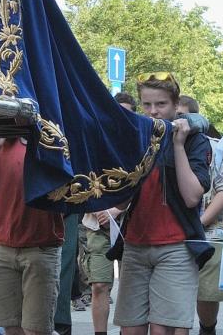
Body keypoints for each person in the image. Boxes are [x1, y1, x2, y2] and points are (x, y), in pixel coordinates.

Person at [114, 73, 211, 335]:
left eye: (161, 104)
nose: (153, 112)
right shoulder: (134, 138)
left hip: (176, 247)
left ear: (176, 104)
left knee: (162, 330)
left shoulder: (194, 140)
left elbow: (192, 197)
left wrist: (178, 146)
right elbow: (121, 202)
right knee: (130, 330)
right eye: (147, 105)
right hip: (135, 245)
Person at [0, 135, 64, 335]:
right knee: (10, 328)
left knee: (36, 329)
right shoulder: (1, 144)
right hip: (3, 247)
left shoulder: (53, 139)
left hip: (41, 248)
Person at [177, 95, 223, 335]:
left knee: (208, 293)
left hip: (208, 233)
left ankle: (207, 328)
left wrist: (199, 223)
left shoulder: (216, 148)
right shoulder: (163, 143)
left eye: (181, 115)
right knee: (177, 297)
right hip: (173, 233)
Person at [80, 91, 137, 335]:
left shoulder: (139, 143)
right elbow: (81, 181)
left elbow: (141, 186)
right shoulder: (94, 141)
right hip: (97, 223)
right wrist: (100, 208)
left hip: (131, 225)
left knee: (131, 288)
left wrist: (115, 209)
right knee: (100, 285)